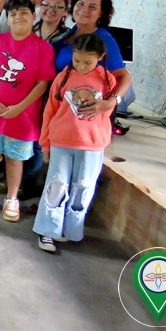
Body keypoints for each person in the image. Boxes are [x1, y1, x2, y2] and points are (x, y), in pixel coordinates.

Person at [0, 0, 55, 222]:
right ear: (8, 18)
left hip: (23, 116)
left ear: (33, 16)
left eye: (24, 13)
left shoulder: (43, 48)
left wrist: (19, 108)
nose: (18, 18)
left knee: (15, 159)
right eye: (13, 14)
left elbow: (42, 83)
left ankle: (12, 198)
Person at [33, 34, 117, 252]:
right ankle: (47, 231)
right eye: (76, 60)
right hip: (61, 141)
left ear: (101, 57)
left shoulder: (108, 80)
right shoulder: (62, 78)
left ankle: (71, 230)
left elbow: (107, 113)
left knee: (83, 187)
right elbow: (49, 111)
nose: (81, 66)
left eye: (88, 62)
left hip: (92, 145)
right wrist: (45, 144)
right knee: (56, 186)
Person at [52, 0, 132, 106]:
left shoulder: (103, 39)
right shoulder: (72, 31)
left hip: (82, 106)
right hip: (59, 100)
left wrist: (112, 102)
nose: (84, 9)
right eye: (81, 3)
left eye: (92, 7)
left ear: (101, 13)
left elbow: (124, 76)